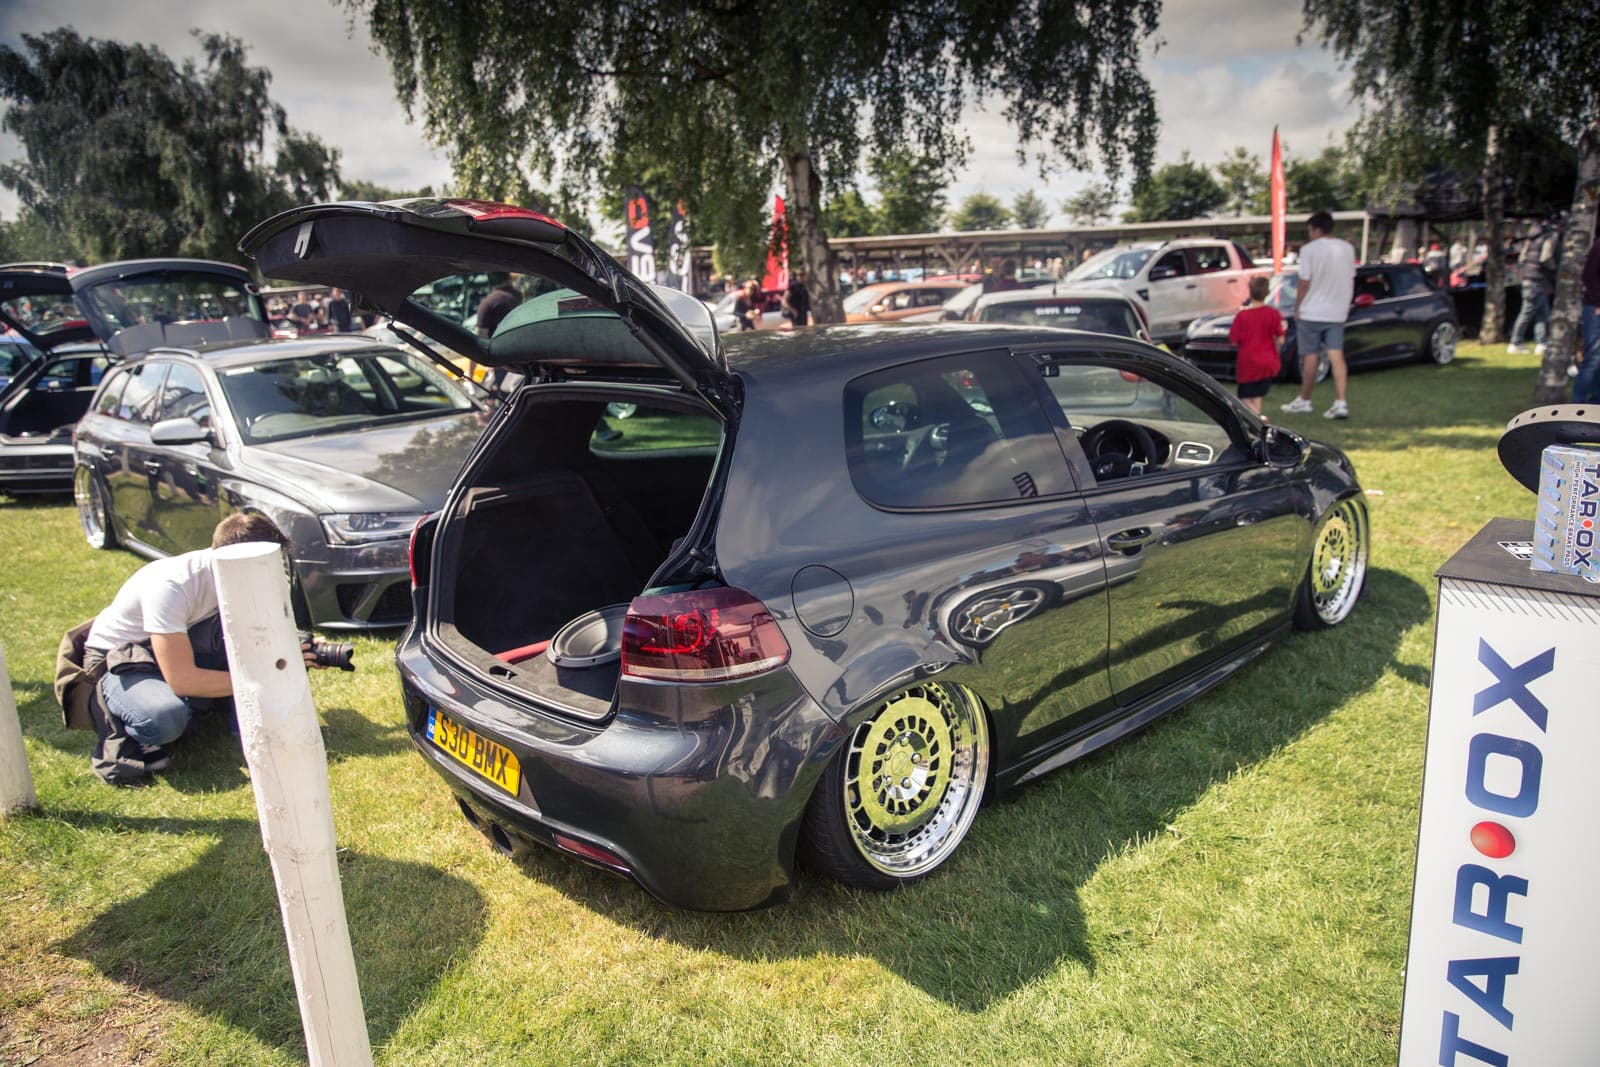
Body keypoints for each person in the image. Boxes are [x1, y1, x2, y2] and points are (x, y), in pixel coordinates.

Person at [65, 514, 325, 785]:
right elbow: (183, 680)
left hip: (179, 644)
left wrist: (297, 647)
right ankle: (135, 727)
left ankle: (240, 718)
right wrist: (267, 675)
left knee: (285, 652)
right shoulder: (172, 586)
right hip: (120, 660)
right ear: (236, 563)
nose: (272, 574)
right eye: (265, 566)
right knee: (165, 717)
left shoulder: (239, 576)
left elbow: (266, 633)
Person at [1281, 211, 1356, 420]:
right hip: (1337, 311)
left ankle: (1305, 399)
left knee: (1310, 356)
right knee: (1336, 356)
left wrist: (1297, 307)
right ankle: (1340, 401)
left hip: (1312, 311)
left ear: (1316, 230)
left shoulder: (1309, 250)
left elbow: (1304, 282)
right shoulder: (1347, 248)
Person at [1229, 275, 1285, 416]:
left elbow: (1234, 339)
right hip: (1268, 360)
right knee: (1257, 395)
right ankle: (1257, 419)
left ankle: (1257, 420)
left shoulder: (1243, 316)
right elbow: (1280, 338)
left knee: (1244, 397)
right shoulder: (1273, 313)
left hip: (1248, 361)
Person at [1508, 222, 1556, 354]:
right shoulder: (1547, 238)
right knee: (1527, 313)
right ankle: (1515, 342)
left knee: (1542, 313)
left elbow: (1521, 258)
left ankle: (1541, 343)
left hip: (1528, 280)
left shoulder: (1529, 241)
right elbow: (1546, 258)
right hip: (1538, 280)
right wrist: (1554, 270)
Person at [1574, 230, 1600, 404]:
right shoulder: (1599, 247)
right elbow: (1588, 275)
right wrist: (1598, 302)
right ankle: (1579, 403)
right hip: (1595, 308)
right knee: (1593, 357)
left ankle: (1596, 402)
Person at [475, 273, 522, 338]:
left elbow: (481, 334)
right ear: (508, 278)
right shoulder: (520, 296)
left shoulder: (488, 302)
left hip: (498, 343)